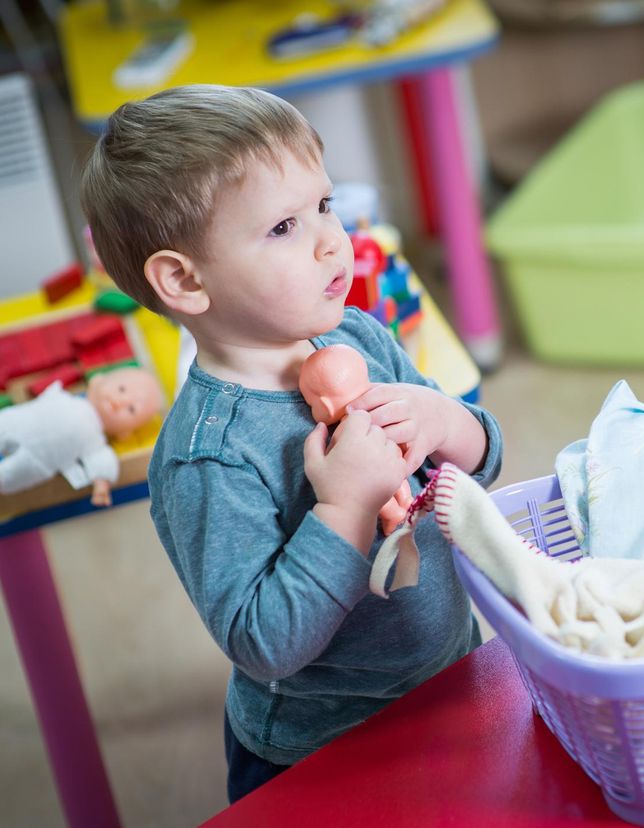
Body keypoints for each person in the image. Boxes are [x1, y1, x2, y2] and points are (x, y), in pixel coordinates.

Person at [78, 84, 502, 803]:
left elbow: (474, 474)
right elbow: (263, 641)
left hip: (451, 672)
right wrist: (343, 507)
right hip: (325, 747)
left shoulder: (358, 334)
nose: (332, 240)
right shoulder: (208, 456)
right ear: (183, 279)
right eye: (283, 228)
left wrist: (447, 423)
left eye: (325, 207)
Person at [0, 367, 162, 506]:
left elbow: (103, 463)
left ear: (124, 433)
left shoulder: (95, 443)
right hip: (19, 423)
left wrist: (101, 486)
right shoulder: (64, 396)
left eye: (132, 409)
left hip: (38, 460)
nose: (120, 401)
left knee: (9, 475)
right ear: (97, 381)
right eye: (121, 389)